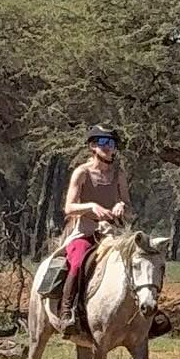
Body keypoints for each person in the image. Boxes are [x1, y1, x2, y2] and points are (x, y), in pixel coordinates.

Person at [53, 124, 132, 330]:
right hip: (86, 233)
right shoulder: (81, 173)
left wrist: (121, 206)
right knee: (77, 262)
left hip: (113, 234)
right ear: (92, 146)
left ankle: (144, 317)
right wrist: (91, 206)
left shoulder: (119, 175)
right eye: (103, 143)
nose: (107, 147)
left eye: (111, 143)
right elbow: (69, 208)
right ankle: (67, 311)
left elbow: (129, 207)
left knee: (138, 260)